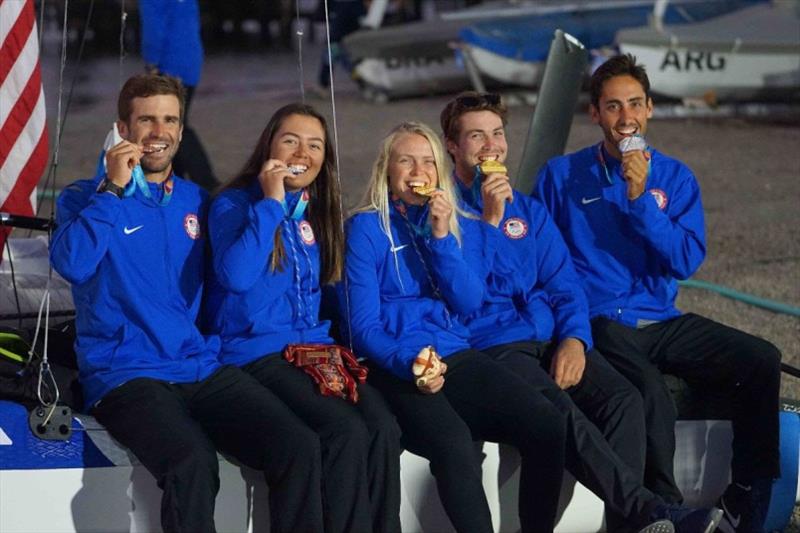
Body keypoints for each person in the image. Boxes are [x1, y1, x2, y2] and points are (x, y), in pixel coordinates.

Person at [50, 74, 323, 533]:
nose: (160, 131)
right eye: (147, 119)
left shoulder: (198, 200)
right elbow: (73, 265)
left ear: (181, 128)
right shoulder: (84, 197)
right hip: (125, 373)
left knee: (298, 444)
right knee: (192, 461)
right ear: (122, 127)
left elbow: (236, 277)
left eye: (171, 119)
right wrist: (112, 189)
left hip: (197, 365)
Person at [440, 91, 723, 533]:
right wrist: (490, 223)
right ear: (453, 147)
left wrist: (574, 338)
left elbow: (564, 282)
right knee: (556, 414)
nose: (491, 146)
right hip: (492, 344)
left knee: (623, 400)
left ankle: (630, 526)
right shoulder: (443, 214)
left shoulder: (528, 209)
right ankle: (649, 510)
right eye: (477, 136)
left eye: (497, 134)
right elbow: (467, 295)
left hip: (547, 335)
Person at [534, 54, 782, 533]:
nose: (625, 118)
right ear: (595, 114)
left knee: (762, 357)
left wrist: (641, 200)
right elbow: (545, 262)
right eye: (612, 107)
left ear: (649, 109)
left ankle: (748, 490)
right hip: (601, 319)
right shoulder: (561, 177)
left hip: (660, 318)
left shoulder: (674, 177)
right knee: (648, 391)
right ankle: (666, 508)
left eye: (634, 104)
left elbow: (686, 261)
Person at [342, 120, 570, 533]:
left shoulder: (452, 220)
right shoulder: (364, 228)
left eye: (428, 162)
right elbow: (362, 327)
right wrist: (408, 361)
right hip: (396, 361)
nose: (418, 171)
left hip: (453, 351)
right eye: (406, 160)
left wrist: (442, 236)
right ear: (386, 170)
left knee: (548, 422)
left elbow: (468, 301)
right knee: (454, 444)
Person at [202, 103, 401, 533]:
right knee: (342, 431)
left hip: (314, 351)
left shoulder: (315, 212)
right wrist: (271, 204)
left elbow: (333, 293)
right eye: (291, 140)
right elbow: (235, 276)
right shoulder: (234, 205)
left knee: (383, 426)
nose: (302, 153)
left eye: (315, 145)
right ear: (268, 146)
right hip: (256, 353)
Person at [139, 0, 218, 190]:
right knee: (176, 122)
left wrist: (152, 62)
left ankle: (207, 181)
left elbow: (153, 26)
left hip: (168, 64)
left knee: (176, 125)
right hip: (190, 60)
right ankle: (177, 180)